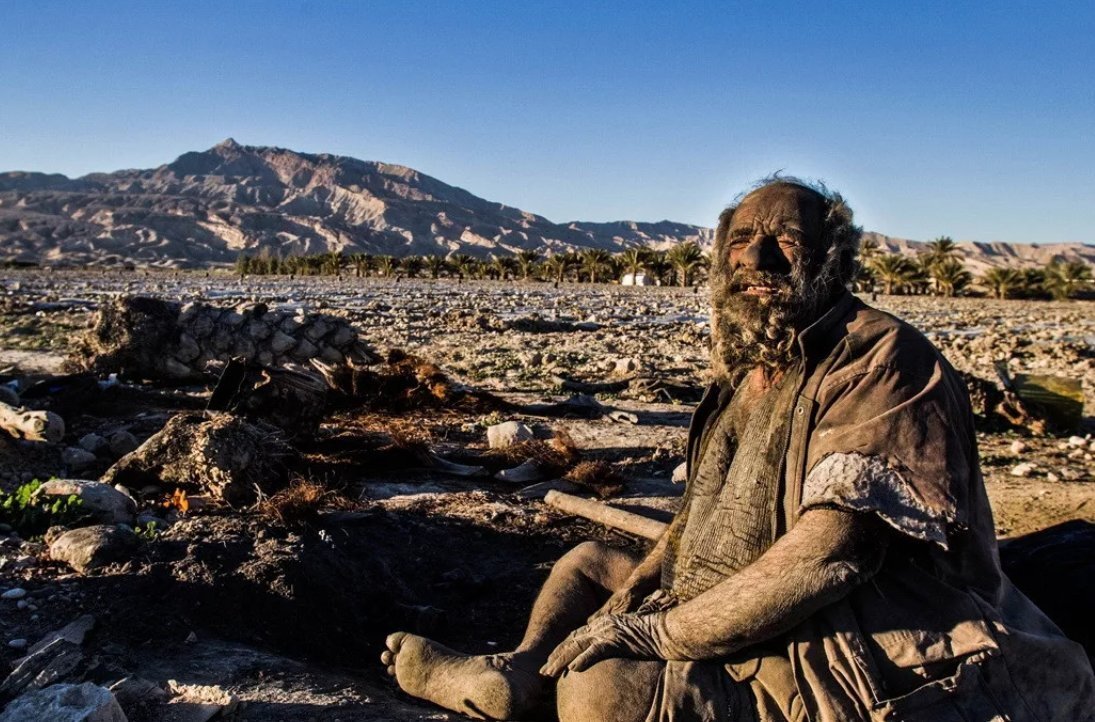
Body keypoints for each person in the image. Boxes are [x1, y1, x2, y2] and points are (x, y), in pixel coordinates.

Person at [381, 179, 1095, 721]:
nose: (757, 257)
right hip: (729, 597)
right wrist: (634, 595)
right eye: (739, 240)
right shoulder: (747, 371)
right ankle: (519, 672)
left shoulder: (879, 358)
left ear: (833, 257)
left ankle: (556, 685)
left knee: (602, 685)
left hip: (858, 623)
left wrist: (657, 632)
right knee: (591, 563)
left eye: (785, 240)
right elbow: (694, 517)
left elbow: (829, 555)